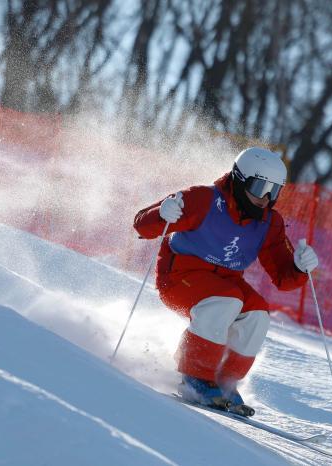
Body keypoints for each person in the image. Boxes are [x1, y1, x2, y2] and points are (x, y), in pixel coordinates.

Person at [133, 147, 319, 410]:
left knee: (257, 314)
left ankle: (224, 382)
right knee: (227, 300)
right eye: (259, 187)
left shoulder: (268, 223)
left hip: (225, 282)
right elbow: (142, 224)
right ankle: (195, 376)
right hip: (179, 277)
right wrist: (162, 214)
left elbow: (283, 277)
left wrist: (300, 267)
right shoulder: (202, 199)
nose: (265, 198)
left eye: (274, 191)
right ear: (239, 179)